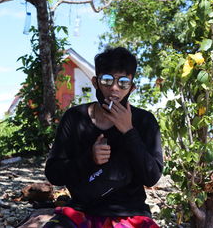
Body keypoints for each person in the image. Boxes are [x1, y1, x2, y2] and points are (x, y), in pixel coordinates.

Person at [43, 47, 163, 228]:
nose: (114, 88)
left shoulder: (144, 121)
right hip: (82, 210)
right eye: (107, 80)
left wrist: (129, 131)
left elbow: (151, 177)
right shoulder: (75, 118)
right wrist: (89, 159)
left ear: (132, 87)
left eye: (122, 82)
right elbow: (54, 174)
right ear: (95, 82)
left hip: (130, 213)